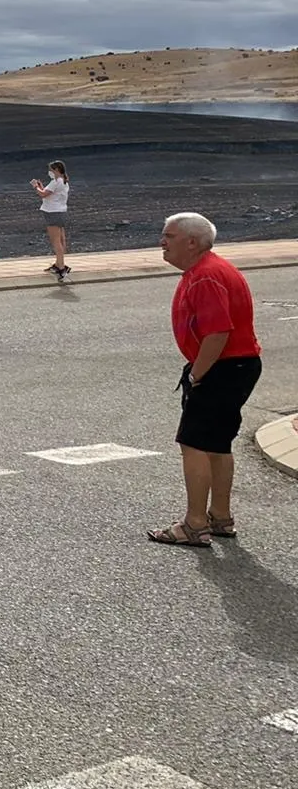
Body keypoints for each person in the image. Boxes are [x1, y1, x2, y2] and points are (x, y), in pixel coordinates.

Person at [148, 213, 262, 548]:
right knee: (217, 443)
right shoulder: (206, 269)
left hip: (223, 367)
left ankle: (195, 524)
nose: (162, 242)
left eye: (168, 236)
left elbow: (217, 333)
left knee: (194, 443)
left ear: (192, 242)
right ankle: (220, 518)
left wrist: (197, 373)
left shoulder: (205, 276)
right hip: (238, 366)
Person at [30, 160, 71, 278]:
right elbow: (48, 193)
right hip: (61, 212)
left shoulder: (55, 182)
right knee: (61, 240)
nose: (50, 172)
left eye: (51, 170)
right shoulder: (63, 181)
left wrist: (35, 187)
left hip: (52, 213)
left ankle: (61, 268)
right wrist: (41, 187)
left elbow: (43, 194)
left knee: (56, 241)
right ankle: (58, 264)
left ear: (57, 170)